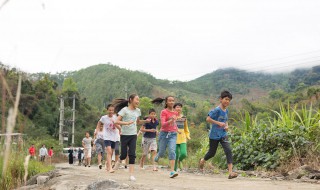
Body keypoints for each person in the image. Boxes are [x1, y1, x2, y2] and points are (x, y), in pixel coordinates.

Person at [199, 90, 238, 179]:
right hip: (214, 135)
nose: (227, 101)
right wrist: (218, 123)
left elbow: (225, 120)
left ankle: (230, 173)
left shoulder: (226, 110)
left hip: (223, 134)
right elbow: (208, 119)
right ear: (221, 99)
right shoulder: (216, 110)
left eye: (229, 100)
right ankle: (202, 160)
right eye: (226, 99)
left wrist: (226, 126)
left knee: (228, 150)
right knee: (212, 153)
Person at [113, 94, 150, 181]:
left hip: (133, 135)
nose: (138, 101)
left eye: (138, 100)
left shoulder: (138, 111)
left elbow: (137, 122)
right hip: (124, 135)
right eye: (137, 99)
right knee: (123, 155)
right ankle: (116, 166)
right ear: (131, 100)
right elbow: (116, 121)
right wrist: (126, 123)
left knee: (132, 154)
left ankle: (131, 175)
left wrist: (145, 121)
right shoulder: (124, 110)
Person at [152, 96, 180, 178]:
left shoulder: (175, 112)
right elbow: (163, 124)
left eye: (173, 101)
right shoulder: (163, 112)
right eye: (170, 101)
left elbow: (174, 123)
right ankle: (157, 156)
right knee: (161, 152)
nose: (172, 102)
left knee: (172, 150)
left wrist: (177, 129)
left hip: (173, 134)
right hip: (164, 134)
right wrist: (171, 120)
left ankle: (172, 171)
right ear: (166, 102)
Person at [97, 104, 121, 173]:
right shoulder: (104, 118)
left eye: (112, 110)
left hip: (114, 137)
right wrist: (97, 130)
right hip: (107, 136)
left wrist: (120, 130)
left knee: (112, 152)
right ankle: (110, 168)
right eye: (109, 110)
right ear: (107, 110)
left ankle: (107, 165)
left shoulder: (115, 117)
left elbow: (118, 126)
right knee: (109, 151)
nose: (111, 111)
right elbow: (99, 123)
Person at [174, 103, 191, 171]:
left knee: (184, 154)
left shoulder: (184, 117)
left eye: (180, 107)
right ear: (174, 108)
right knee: (176, 154)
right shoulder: (172, 116)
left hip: (182, 137)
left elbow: (186, 128)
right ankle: (174, 170)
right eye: (177, 107)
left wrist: (188, 136)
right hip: (174, 137)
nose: (178, 108)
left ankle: (179, 160)